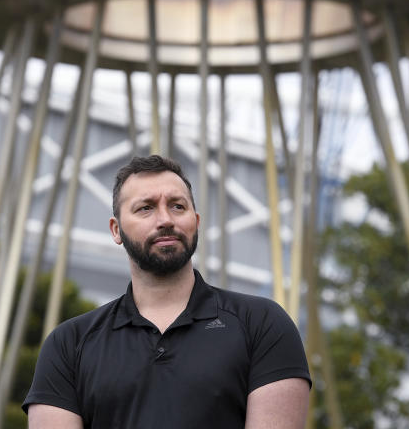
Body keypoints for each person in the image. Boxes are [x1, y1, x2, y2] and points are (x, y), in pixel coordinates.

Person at [23, 155, 311, 428]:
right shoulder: (69, 344)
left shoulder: (261, 324)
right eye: (145, 208)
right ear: (116, 230)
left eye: (177, 206)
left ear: (196, 222)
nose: (165, 220)